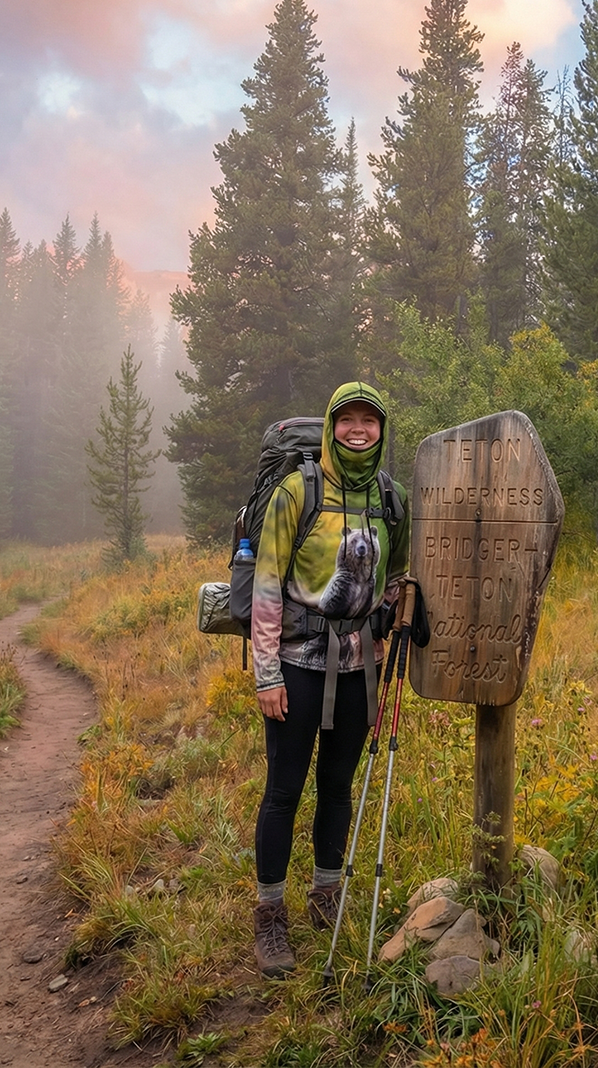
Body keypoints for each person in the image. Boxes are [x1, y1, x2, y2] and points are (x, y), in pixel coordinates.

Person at [250, 381, 409, 978]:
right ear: (330, 427)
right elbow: (267, 587)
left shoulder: (392, 499)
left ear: (381, 429)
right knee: (284, 790)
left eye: (370, 421)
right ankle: (269, 913)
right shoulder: (298, 492)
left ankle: (326, 893)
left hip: (358, 665)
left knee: (338, 787)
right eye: (348, 421)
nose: (359, 431)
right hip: (296, 663)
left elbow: (396, 575)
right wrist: (267, 674)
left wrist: (394, 615)